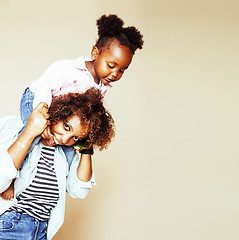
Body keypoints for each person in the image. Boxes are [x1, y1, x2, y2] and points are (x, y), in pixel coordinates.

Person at [1, 14, 143, 200]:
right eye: (111, 65)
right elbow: (45, 85)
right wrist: (40, 118)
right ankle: (10, 179)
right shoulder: (69, 69)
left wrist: (83, 142)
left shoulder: (101, 88)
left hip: (59, 117)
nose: (115, 74)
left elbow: (89, 114)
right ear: (95, 53)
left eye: (122, 70)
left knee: (68, 152)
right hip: (36, 100)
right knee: (29, 137)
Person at [0, 88, 115, 240]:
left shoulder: (65, 154)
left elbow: (79, 191)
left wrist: (87, 148)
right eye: (66, 126)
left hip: (41, 230)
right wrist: (29, 131)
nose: (64, 139)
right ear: (60, 112)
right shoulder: (16, 126)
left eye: (75, 137)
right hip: (10, 224)